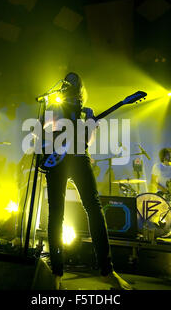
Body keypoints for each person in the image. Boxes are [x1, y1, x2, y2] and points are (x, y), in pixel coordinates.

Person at [43, 72, 132, 290]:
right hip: (57, 160)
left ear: (79, 86)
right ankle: (56, 272)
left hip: (80, 159)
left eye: (73, 80)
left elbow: (88, 142)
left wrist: (90, 126)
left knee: (94, 209)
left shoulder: (87, 111)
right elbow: (42, 131)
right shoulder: (54, 106)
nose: (68, 82)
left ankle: (107, 270)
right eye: (66, 79)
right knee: (56, 213)